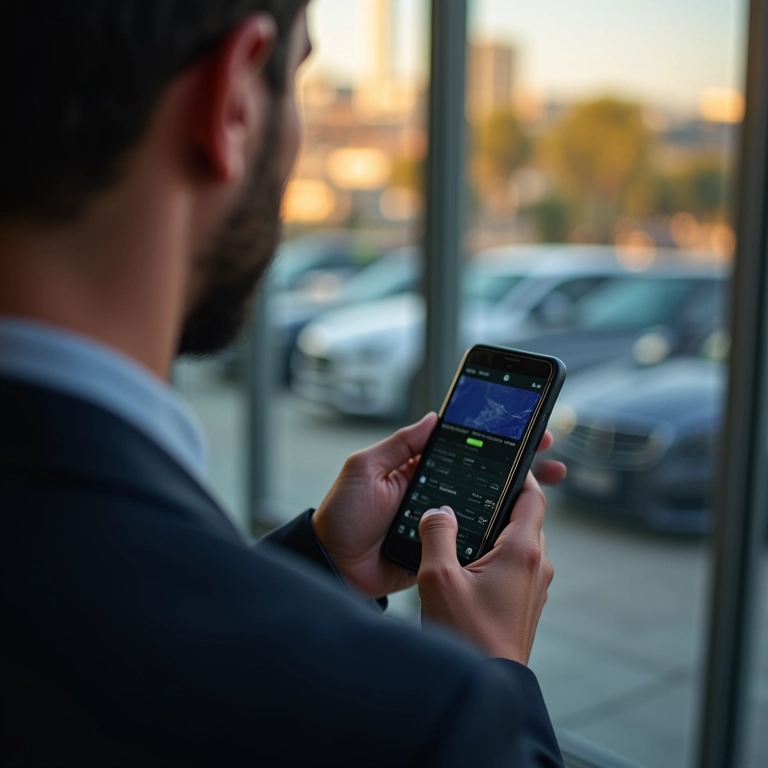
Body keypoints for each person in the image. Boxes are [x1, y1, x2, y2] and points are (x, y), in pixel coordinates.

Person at [0, 2, 567, 765]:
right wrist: (497, 673)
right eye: (296, 79)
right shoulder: (432, 719)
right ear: (230, 99)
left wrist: (321, 565)